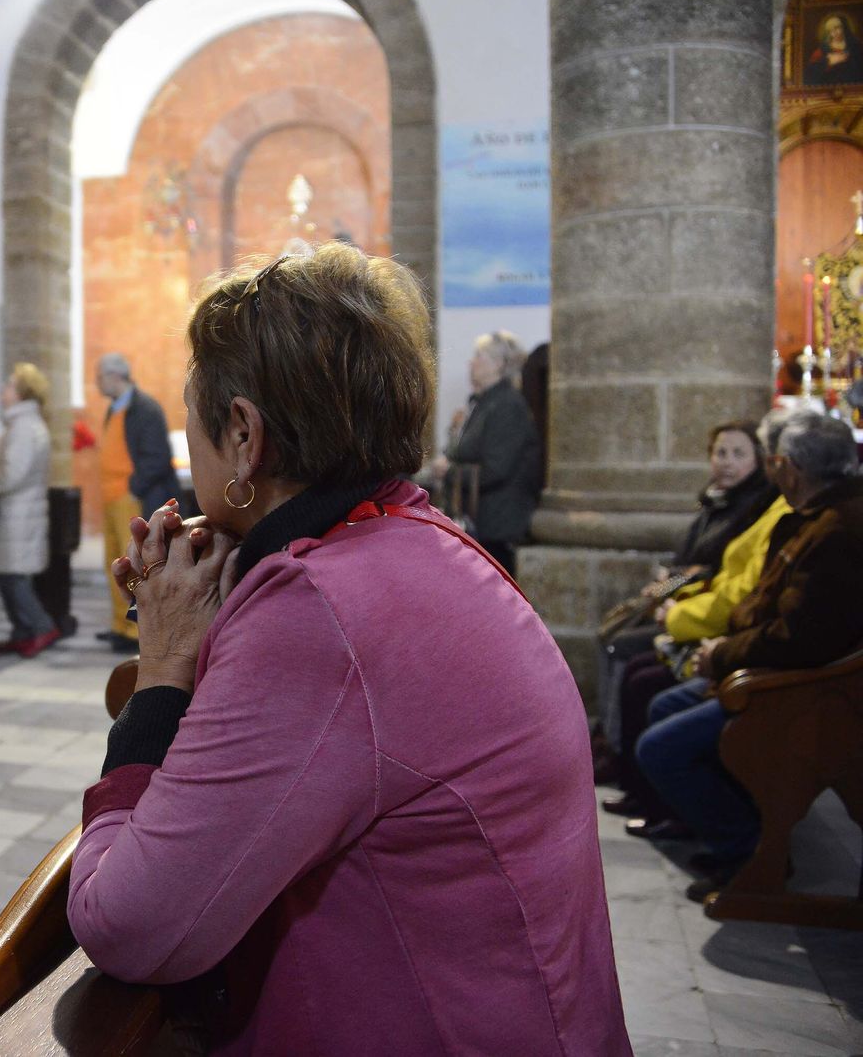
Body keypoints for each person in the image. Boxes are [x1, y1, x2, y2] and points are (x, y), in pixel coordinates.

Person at [68, 244, 629, 1054]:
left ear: (242, 432)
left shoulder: (317, 610)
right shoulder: (413, 537)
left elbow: (131, 925)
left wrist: (162, 669)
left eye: (196, 419)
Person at [636, 412, 863, 901]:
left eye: (774, 460)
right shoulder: (817, 516)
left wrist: (721, 655)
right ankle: (733, 838)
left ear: (793, 469)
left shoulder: (837, 533)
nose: (771, 470)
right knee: (662, 704)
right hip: (778, 673)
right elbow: (770, 605)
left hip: (799, 693)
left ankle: (750, 855)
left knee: (661, 746)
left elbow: (799, 639)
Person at [594, 420, 778, 780]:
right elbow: (694, 558)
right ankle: (609, 741)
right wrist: (670, 581)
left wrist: (677, 601)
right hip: (687, 604)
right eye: (720, 453)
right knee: (610, 632)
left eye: (738, 454)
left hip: (706, 620)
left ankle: (621, 756)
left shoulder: (755, 507)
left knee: (626, 656)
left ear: (759, 460)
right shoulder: (715, 499)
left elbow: (723, 578)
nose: (726, 462)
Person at [431, 330, 541, 574]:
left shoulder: (507, 405)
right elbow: (460, 450)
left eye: (480, 356)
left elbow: (496, 470)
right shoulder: (482, 402)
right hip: (480, 522)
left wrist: (449, 471)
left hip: (496, 527)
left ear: (500, 364)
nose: (472, 362)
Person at [94, 353, 179, 654]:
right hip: (112, 498)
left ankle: (135, 630)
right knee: (113, 564)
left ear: (116, 376)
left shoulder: (144, 408)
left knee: (132, 566)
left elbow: (158, 457)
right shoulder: (115, 408)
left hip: (131, 499)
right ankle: (120, 626)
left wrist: (133, 488)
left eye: (100, 376)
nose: (97, 382)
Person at [0, 362, 60, 658]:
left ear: (21, 393)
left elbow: (12, 474)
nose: (3, 392)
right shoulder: (20, 424)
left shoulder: (25, 428)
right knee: (8, 576)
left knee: (15, 577)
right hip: (16, 512)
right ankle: (21, 631)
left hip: (18, 513)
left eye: (8, 386)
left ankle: (42, 627)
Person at [804, 13, 863, 86]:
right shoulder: (822, 50)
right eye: (830, 31)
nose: (834, 33)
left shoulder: (856, 46)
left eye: (837, 28)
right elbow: (809, 74)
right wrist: (828, 62)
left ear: (843, 28)